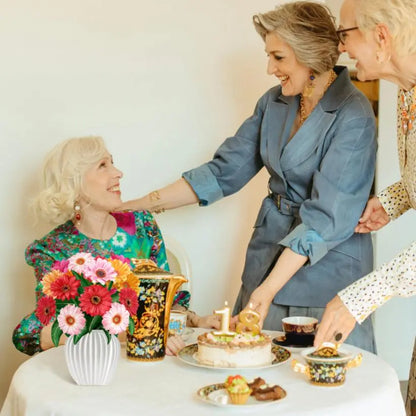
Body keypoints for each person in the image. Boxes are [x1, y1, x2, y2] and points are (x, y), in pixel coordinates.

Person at [121, 2, 378, 351]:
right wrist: (134, 206)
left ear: (309, 54)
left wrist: (268, 289)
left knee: (314, 389)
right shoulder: (274, 102)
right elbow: (222, 172)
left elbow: (325, 219)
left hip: (326, 270)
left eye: (279, 58)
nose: (270, 68)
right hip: (267, 256)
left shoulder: (354, 115)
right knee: (253, 377)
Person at [12, 136, 218, 357]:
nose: (118, 173)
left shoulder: (142, 225)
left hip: (147, 362)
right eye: (103, 165)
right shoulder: (52, 249)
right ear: (75, 182)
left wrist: (197, 321)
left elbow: (168, 303)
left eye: (112, 162)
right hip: (90, 367)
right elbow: (36, 332)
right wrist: (126, 335)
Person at [311, 0, 416, 413]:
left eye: (345, 34)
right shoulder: (407, 94)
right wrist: (392, 201)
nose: (341, 48)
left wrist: (362, 296)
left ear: (382, 36)